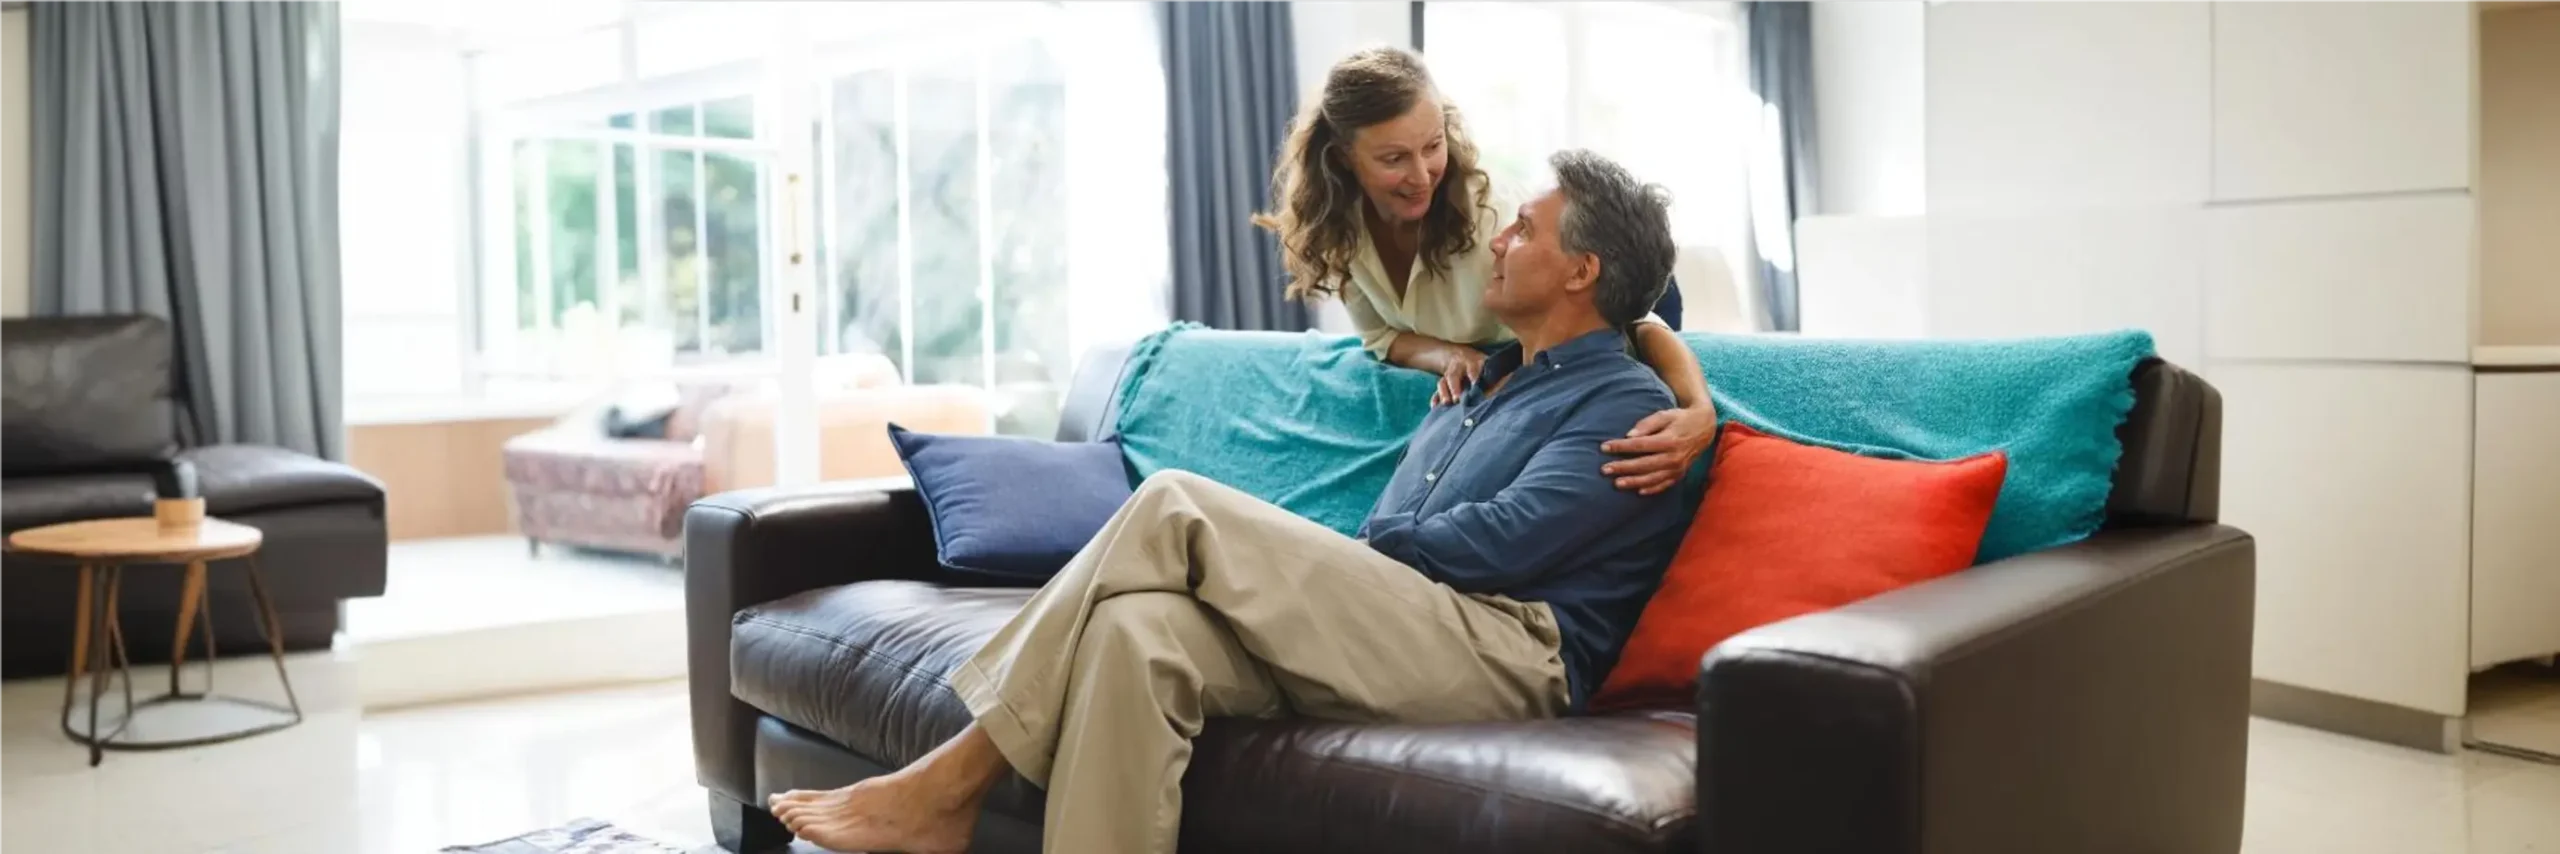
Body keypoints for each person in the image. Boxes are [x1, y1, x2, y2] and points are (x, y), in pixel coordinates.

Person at [767, 150, 1693, 854]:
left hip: (1508, 655)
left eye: (1526, 230)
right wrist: (1351, 563)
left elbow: (1498, 548)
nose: (1499, 237)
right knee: (1139, 633)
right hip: (1412, 629)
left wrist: (1348, 557)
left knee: (1175, 504)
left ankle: (947, 779)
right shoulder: (1479, 380)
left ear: (1583, 272)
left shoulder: (1628, 404)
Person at [1253, 46, 1709, 496]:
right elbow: (1383, 338)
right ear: (1343, 158)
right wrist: (1447, 354)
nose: (1421, 175)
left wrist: (1698, 410)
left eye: (1433, 146)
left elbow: (1637, 316)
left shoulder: (1493, 219)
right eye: (1393, 159)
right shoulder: (1342, 228)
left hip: (1634, 296)